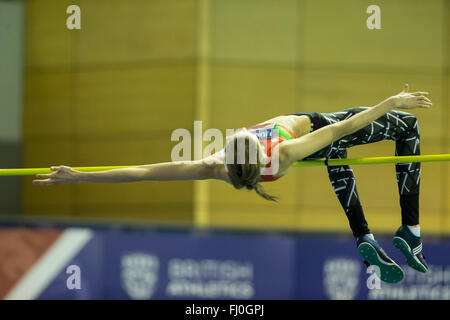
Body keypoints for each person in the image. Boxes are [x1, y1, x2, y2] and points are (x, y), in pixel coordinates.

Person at [33, 84, 432, 283]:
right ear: (258, 155)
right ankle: (410, 231)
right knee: (406, 128)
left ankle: (363, 235)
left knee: (335, 154)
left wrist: (82, 176)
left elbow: (145, 171)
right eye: (245, 135)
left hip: (318, 146)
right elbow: (344, 125)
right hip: (316, 127)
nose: (244, 130)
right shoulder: (284, 152)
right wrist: (390, 102)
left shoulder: (217, 166)